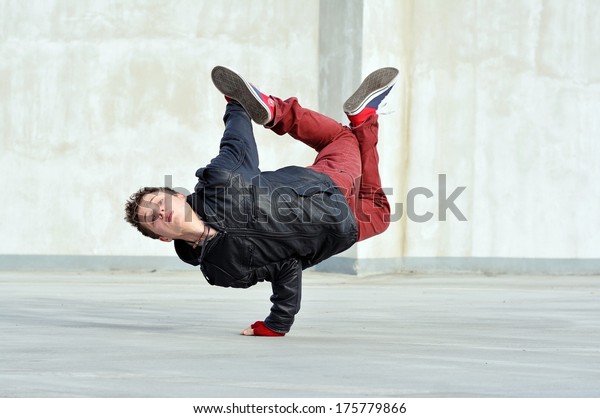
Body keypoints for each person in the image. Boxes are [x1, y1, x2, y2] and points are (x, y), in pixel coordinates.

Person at [124, 66, 399, 336]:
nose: (159, 212)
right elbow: (285, 268)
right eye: (151, 218)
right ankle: (357, 118)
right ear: (161, 237)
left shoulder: (220, 181)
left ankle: (280, 109)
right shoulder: (221, 270)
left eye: (159, 202)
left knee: (341, 138)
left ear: (179, 196)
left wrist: (237, 104)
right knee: (380, 211)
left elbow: (236, 143)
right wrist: (278, 323)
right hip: (341, 230)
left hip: (326, 189)